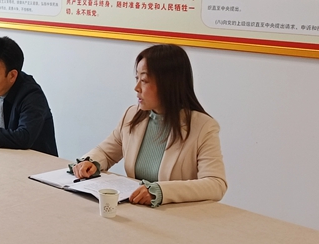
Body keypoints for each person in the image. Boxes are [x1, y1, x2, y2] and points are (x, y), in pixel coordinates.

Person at [71, 44, 227, 207]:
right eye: (137, 79)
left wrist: (161, 192)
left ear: (168, 84)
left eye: (144, 81)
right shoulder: (132, 115)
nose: (136, 88)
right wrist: (92, 162)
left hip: (176, 215)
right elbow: (106, 152)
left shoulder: (203, 127)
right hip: (135, 210)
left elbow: (216, 184)